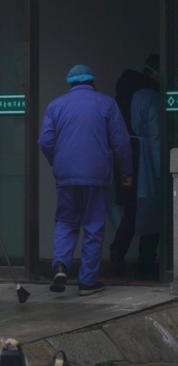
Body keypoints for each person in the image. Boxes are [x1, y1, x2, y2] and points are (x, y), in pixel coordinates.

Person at [39, 65, 133, 296]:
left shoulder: (56, 105)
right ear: (92, 82)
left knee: (65, 221)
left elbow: (45, 140)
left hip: (66, 176)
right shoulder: (106, 104)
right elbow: (121, 142)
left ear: (70, 83)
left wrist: (58, 162)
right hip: (95, 175)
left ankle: (60, 265)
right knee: (92, 226)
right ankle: (87, 282)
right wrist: (126, 173)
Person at [111, 55, 161, 279]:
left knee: (129, 213)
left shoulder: (122, 93)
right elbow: (156, 136)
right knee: (151, 213)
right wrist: (164, 171)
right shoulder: (149, 96)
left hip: (122, 158)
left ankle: (116, 258)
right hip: (144, 161)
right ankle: (146, 263)